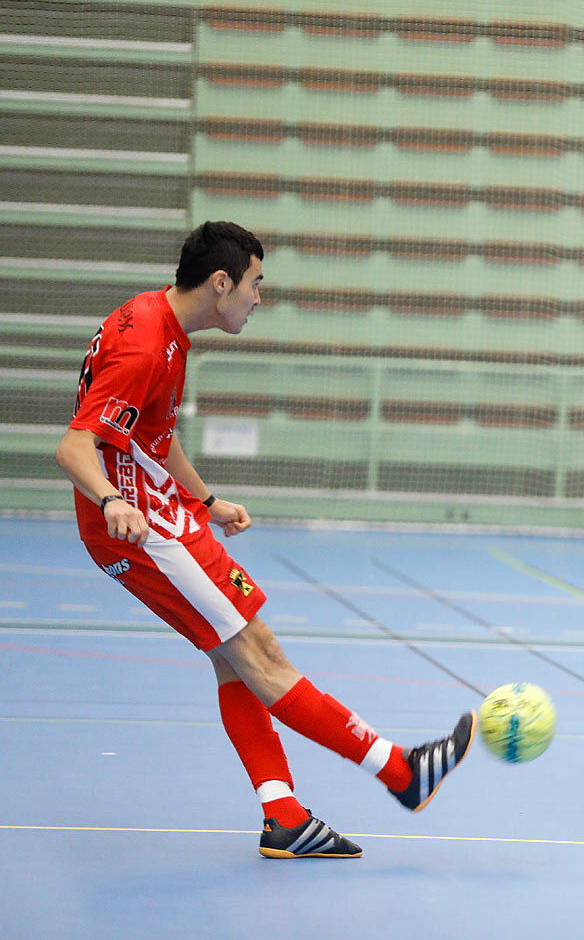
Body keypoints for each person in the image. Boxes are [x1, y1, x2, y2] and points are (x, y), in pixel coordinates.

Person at [55, 221, 475, 859]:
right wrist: (114, 501)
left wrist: (206, 502)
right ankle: (402, 773)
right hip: (140, 530)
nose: (259, 298)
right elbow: (73, 445)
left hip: (163, 512)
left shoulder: (158, 325)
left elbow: (151, 439)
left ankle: (285, 816)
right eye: (256, 284)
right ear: (221, 283)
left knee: (233, 660)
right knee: (260, 654)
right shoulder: (146, 345)